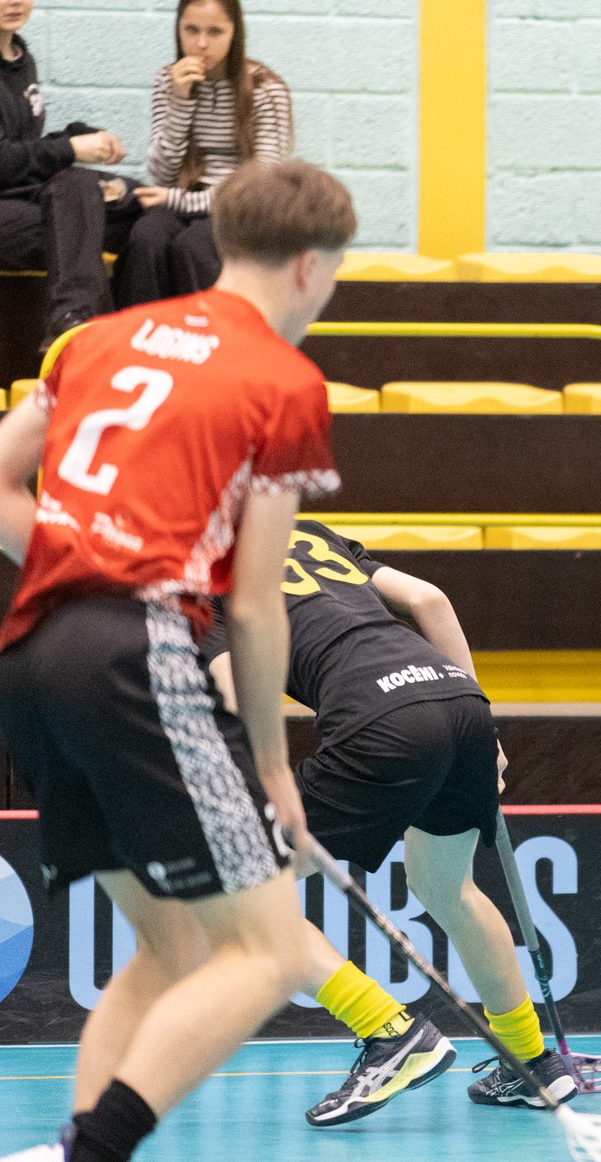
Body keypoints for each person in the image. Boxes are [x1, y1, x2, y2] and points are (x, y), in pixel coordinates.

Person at [0, 161, 351, 1162]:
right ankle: (94, 1151)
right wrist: (275, 769)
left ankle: (75, 1149)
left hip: (31, 658)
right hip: (135, 651)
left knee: (173, 945)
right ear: (310, 267)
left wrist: (78, 556)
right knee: (270, 952)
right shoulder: (285, 380)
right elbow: (255, 604)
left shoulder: (97, 340)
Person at [198, 520, 577, 1125]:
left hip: (380, 720)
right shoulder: (304, 532)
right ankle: (532, 1063)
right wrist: (484, 721)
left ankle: (389, 1032)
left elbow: (238, 698)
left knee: (235, 890)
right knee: (448, 887)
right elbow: (430, 600)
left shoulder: (196, 575)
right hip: (457, 699)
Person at [114, 0, 293, 309]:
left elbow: (259, 190)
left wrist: (178, 201)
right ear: (178, 29)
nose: (201, 44)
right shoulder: (168, 80)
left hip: (237, 212)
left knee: (193, 246)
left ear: (235, 32)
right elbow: (163, 174)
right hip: (182, 195)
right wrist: (181, 100)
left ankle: (210, 339)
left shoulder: (266, 89)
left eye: (215, 32)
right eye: (191, 30)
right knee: (145, 238)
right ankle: (140, 336)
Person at [0, 0, 138, 352]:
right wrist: (71, 149)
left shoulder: (19, 58)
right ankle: (76, 320)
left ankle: (130, 333)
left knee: (133, 198)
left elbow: (23, 148)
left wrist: (78, 134)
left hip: (21, 197)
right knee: (79, 209)